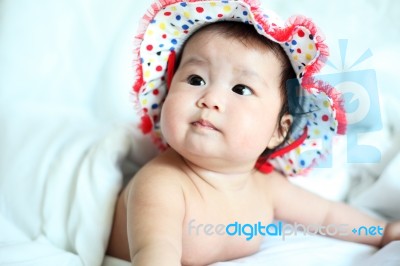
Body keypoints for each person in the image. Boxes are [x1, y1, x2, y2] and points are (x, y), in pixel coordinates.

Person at [106, 0, 400, 265]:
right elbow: (155, 254)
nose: (210, 99)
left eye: (241, 89)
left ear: (278, 131)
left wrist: (383, 231)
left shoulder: (265, 185)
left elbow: (327, 217)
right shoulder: (162, 185)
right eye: (195, 79)